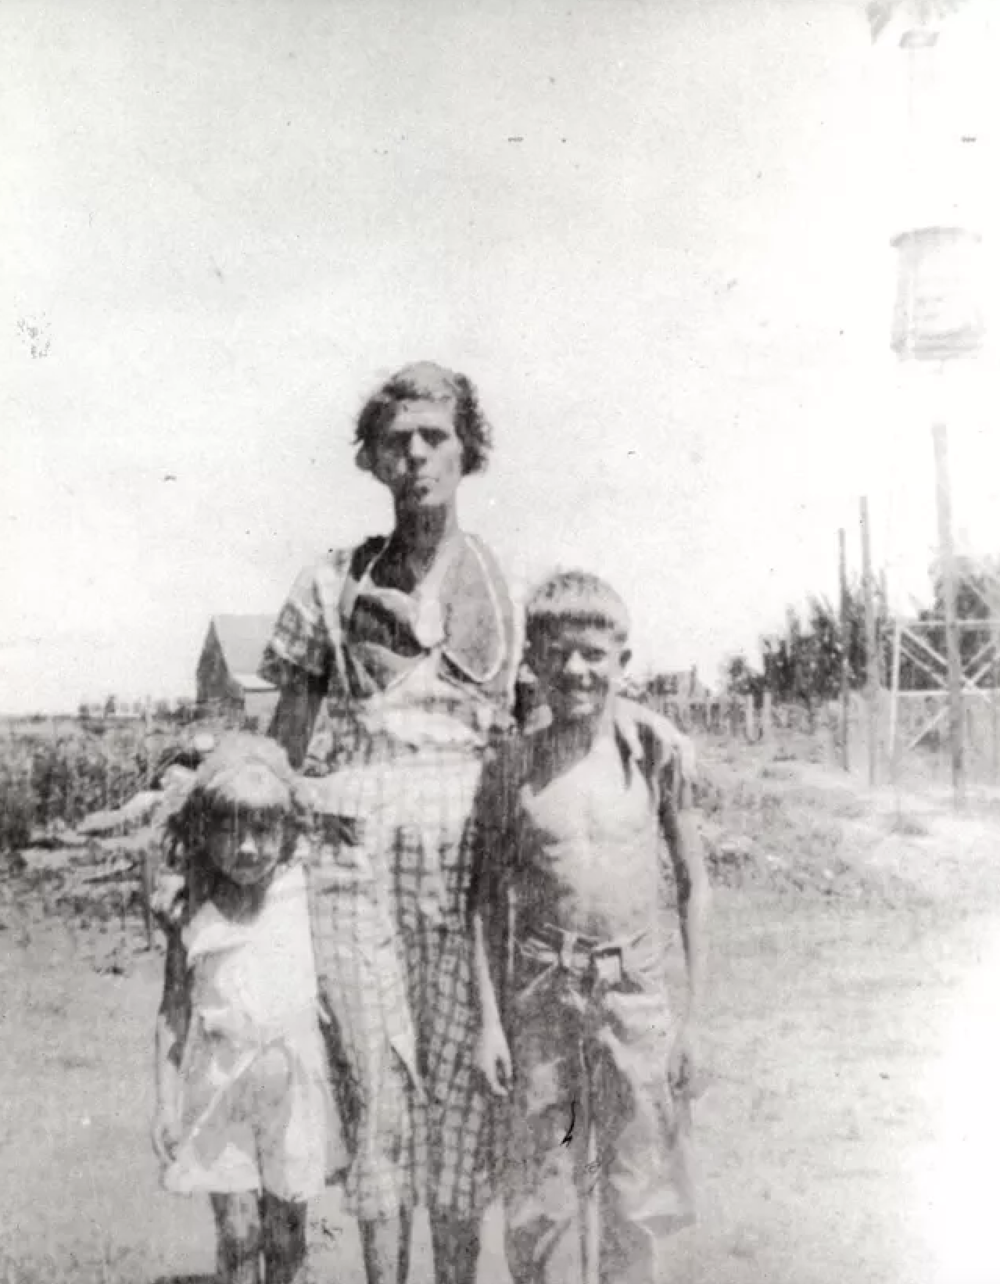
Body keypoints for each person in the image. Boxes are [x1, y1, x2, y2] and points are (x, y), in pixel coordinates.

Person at [260, 361, 518, 1284]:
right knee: (376, 1090)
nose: (416, 455)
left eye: (435, 437)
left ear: (466, 450)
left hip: (466, 874)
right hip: (353, 865)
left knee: (460, 1092)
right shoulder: (328, 586)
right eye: (396, 440)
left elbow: (551, 736)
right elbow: (280, 751)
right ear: (371, 458)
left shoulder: (510, 591)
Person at [471, 570, 711, 1284]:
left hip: (634, 996)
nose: (576, 669)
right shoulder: (513, 770)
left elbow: (696, 885)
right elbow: (485, 900)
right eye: (557, 653)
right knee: (542, 1201)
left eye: (593, 654)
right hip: (543, 996)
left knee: (635, 1193)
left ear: (621, 663)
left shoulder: (653, 758)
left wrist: (693, 1020)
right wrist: (490, 1021)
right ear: (533, 663)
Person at [151, 735, 345, 1284]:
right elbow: (172, 1014)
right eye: (229, 831)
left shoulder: (303, 892)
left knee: (286, 1235)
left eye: (263, 831)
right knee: (239, 1235)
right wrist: (165, 1104)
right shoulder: (191, 909)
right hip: (220, 1087)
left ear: (286, 835)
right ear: (203, 832)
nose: (248, 849)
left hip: (294, 1089)